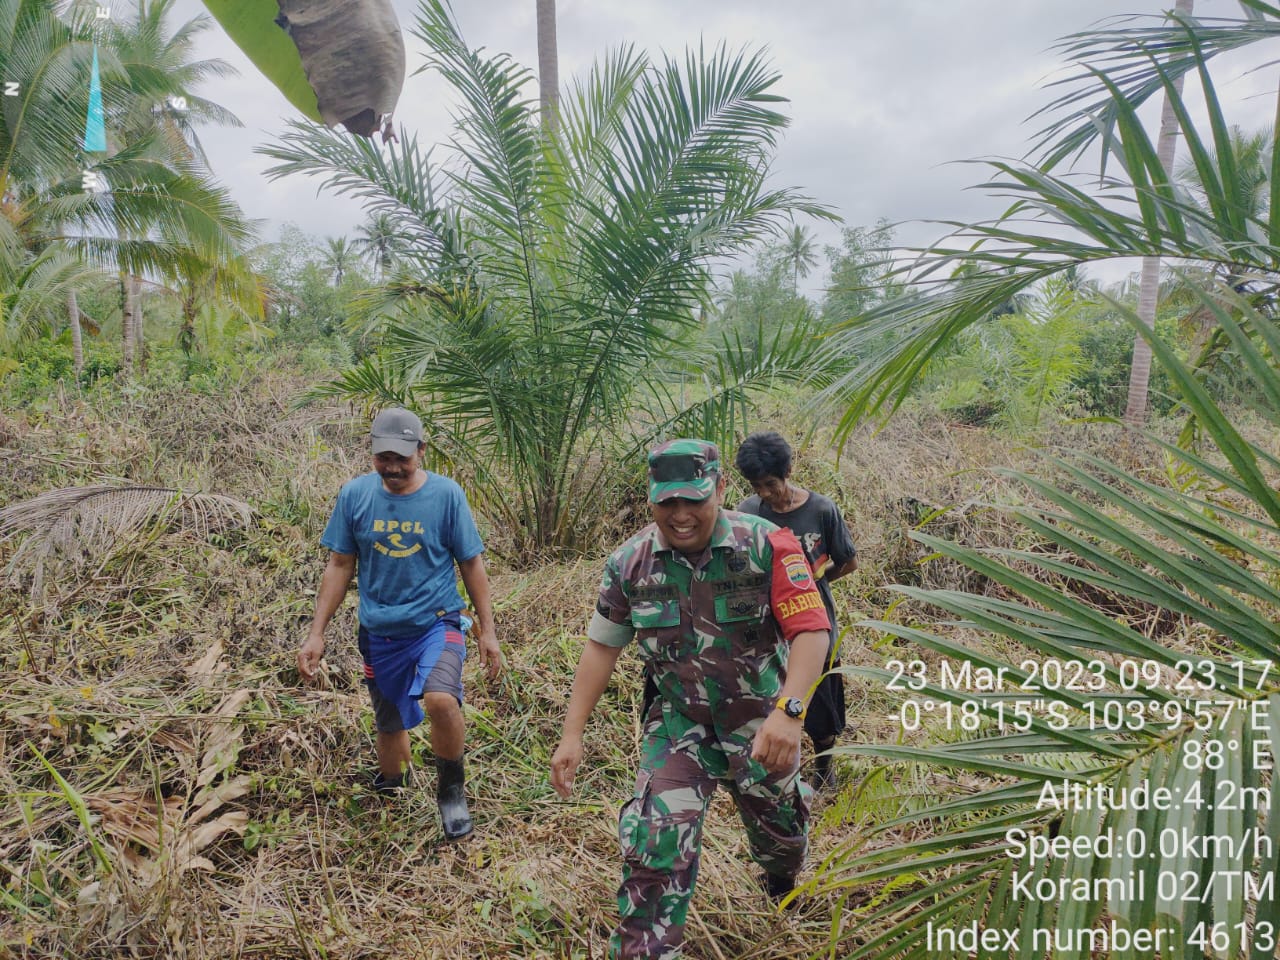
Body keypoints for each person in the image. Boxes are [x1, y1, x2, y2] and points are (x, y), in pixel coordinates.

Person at [551, 439, 831, 960]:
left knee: (782, 839)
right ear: (651, 500)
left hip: (762, 723)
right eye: (667, 503)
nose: (680, 516)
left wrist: (789, 713)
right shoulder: (630, 564)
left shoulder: (768, 544)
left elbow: (813, 631)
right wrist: (572, 733)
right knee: (654, 843)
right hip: (681, 725)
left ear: (721, 490)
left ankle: (780, 873)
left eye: (694, 500)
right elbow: (600, 647)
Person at [297, 407, 502, 840]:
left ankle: (451, 792)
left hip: (437, 622)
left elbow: (471, 562)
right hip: (378, 631)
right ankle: (395, 786)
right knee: (389, 725)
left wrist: (488, 630)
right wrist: (316, 632)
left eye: (402, 458)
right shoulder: (355, 495)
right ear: (372, 452)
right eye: (383, 457)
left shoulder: (447, 496)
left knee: (441, 700)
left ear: (421, 451)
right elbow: (339, 564)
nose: (392, 467)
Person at [734, 431, 857, 792]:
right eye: (757, 487)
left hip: (812, 622)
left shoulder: (820, 510)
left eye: (770, 484)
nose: (764, 494)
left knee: (818, 696)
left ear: (788, 470)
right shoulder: (747, 513)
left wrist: (816, 584)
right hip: (765, 625)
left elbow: (847, 562)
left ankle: (824, 768)